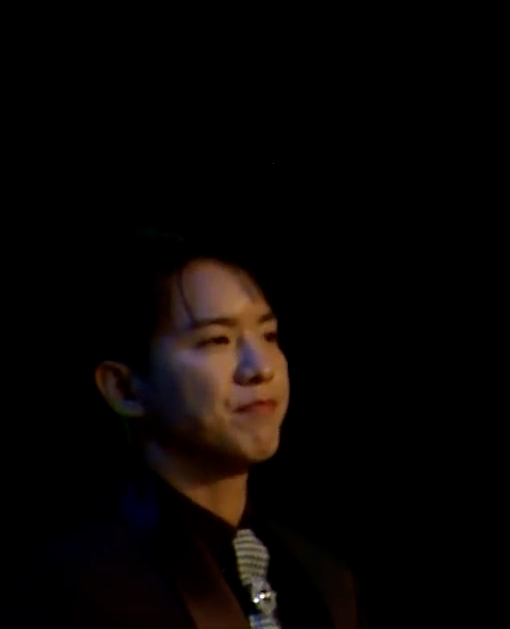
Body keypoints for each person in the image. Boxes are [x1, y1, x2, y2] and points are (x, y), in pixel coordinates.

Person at [17, 228, 370, 628]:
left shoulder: (326, 582)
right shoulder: (75, 587)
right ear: (124, 388)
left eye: (269, 335)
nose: (260, 368)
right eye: (218, 340)